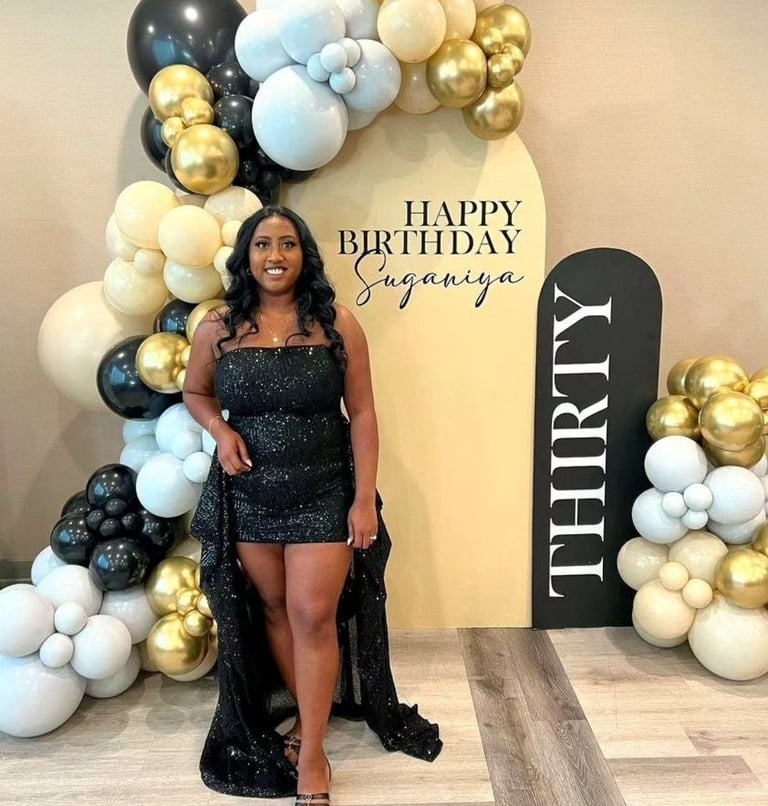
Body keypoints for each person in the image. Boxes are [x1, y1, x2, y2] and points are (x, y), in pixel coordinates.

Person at [183, 205, 441, 803]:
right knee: (274, 610)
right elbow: (195, 392)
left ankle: (314, 758)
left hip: (323, 492)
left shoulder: (338, 324)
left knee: (312, 615)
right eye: (263, 244)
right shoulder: (218, 328)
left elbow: (365, 415)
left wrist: (363, 500)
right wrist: (221, 433)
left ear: (305, 255)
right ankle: (306, 720)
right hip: (250, 495)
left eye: (289, 243)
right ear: (246, 255)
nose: (276, 255)